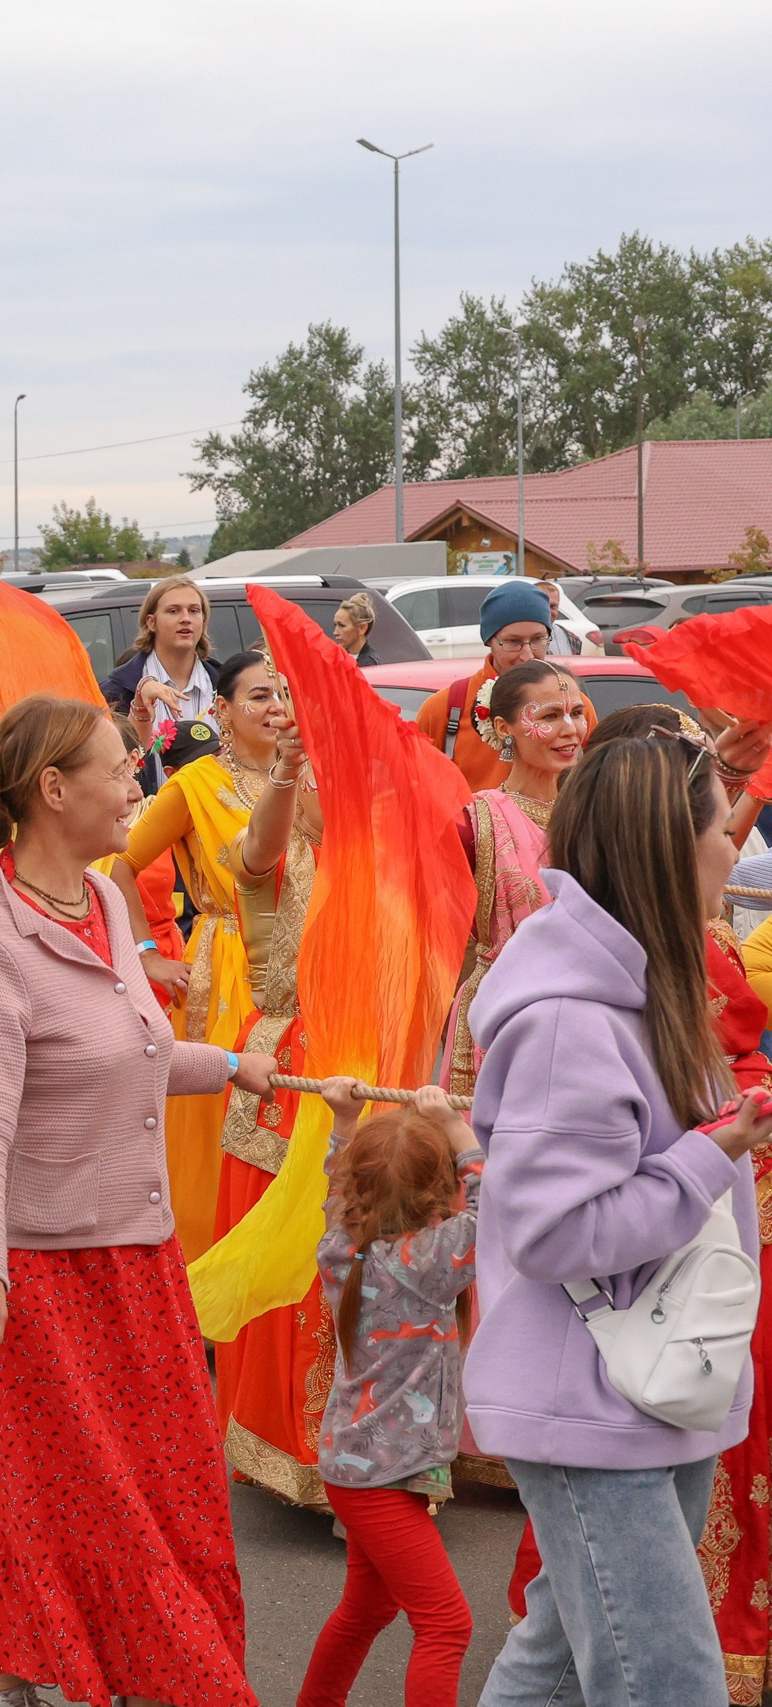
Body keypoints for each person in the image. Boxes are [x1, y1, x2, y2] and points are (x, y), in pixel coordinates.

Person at [0, 695, 274, 1707]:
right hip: (31, 1287)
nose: (136, 784)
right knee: (67, 1534)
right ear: (51, 790)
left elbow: (131, 1051)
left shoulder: (102, 901)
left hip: (135, 1261)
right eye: (117, 769)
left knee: (160, 1510)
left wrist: (243, 1071)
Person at [469, 732, 772, 1707]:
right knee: (667, 1685)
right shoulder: (571, 1019)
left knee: (553, 1666)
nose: (734, 846)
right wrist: (712, 1152)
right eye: (717, 827)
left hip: (645, 1389)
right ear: (666, 849)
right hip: (597, 1401)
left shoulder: (647, 985)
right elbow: (555, 1234)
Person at [296, 1079, 482, 1707]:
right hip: (382, 1478)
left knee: (365, 1610)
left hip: (354, 1465)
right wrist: (459, 1132)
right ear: (438, 1198)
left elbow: (338, 1192)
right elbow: (494, 1209)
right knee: (447, 1626)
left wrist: (344, 1124)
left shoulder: (343, 1249)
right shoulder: (431, 1262)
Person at [107, 648, 290, 1259]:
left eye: (281, 694)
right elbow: (119, 868)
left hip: (299, 967)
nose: (275, 707)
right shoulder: (196, 783)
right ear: (223, 709)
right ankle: (210, 1288)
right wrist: (144, 954)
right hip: (228, 963)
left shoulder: (306, 782)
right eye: (259, 696)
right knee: (226, 1120)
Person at [441, 660, 589, 1097]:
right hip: (506, 1016)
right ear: (505, 728)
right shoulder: (476, 821)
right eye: (548, 716)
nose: (570, 730)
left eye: (576, 713)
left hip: (591, 1018)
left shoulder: (597, 816)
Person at [412, 578, 553, 791]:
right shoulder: (444, 708)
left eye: (538, 639)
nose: (527, 655)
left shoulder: (574, 708)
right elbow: (416, 791)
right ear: (489, 640)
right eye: (513, 642)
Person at [100, 574, 216, 747]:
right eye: (173, 611)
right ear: (151, 622)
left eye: (194, 611)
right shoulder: (115, 692)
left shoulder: (226, 685)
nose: (186, 619)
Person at [330, 592, 381, 667]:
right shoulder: (336, 658)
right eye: (335, 625)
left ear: (362, 628)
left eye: (342, 625)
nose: (335, 632)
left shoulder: (369, 665)